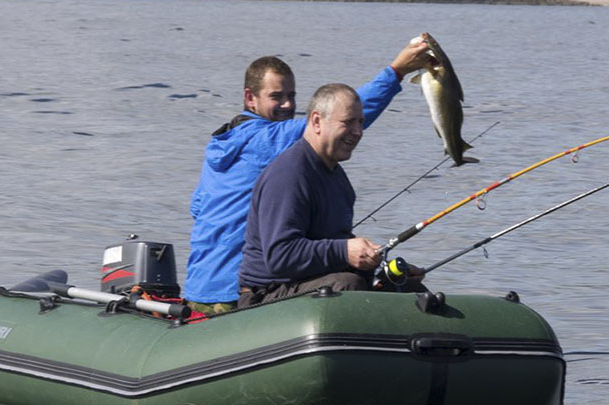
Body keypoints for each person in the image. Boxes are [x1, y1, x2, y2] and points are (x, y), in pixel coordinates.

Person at [183, 39, 433, 315]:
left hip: (197, 283)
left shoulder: (221, 147)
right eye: (276, 96)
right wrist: (396, 72)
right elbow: (340, 117)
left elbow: (197, 208)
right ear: (250, 98)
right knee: (345, 285)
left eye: (292, 95)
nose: (288, 105)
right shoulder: (269, 141)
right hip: (231, 291)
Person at [237, 83, 426, 309]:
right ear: (317, 121)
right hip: (266, 296)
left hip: (312, 283)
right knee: (348, 286)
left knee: (409, 289)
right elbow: (280, 257)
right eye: (348, 122)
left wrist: (381, 269)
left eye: (361, 122)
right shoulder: (289, 175)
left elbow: (333, 252)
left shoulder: (339, 180)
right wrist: (345, 250)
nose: (358, 132)